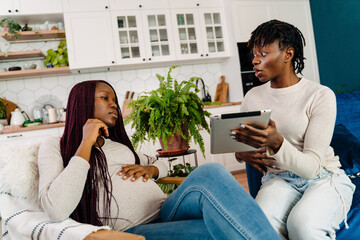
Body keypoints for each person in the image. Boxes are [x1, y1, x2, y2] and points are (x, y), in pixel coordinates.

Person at [37, 80, 281, 240]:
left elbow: (160, 161)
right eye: (105, 98)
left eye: (114, 99)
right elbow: (56, 209)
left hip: (166, 209)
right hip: (133, 231)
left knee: (212, 173)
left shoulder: (118, 145)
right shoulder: (58, 147)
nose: (114, 104)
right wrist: (86, 143)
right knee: (225, 228)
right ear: (82, 103)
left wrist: (153, 169)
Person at [231, 20, 355, 239]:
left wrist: (277, 143)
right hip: (277, 179)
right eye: (254, 55)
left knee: (302, 226)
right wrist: (241, 154)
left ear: (288, 54)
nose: (255, 61)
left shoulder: (319, 95)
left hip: (322, 178)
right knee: (261, 228)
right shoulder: (253, 97)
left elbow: (311, 168)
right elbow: (243, 146)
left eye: (263, 53)